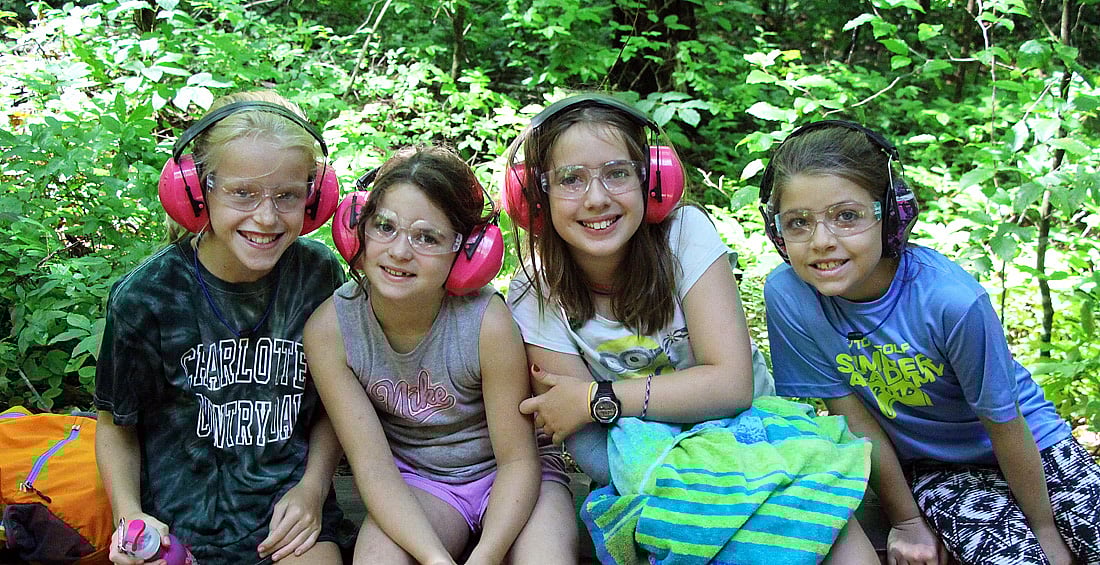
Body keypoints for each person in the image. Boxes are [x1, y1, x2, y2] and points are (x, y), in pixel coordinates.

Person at [504, 93, 878, 565]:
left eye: (617, 173)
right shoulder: (532, 290)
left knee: (836, 537)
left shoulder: (685, 234)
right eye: (570, 180)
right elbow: (580, 435)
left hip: (760, 437)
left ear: (653, 180)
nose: (596, 197)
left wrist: (599, 399)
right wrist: (686, 474)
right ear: (534, 198)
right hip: (642, 468)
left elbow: (731, 385)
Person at [760, 120, 1100, 565]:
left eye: (847, 216)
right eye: (798, 223)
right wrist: (906, 521)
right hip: (937, 466)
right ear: (776, 231)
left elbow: (1004, 421)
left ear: (893, 215)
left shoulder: (950, 301)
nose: (822, 241)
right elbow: (852, 415)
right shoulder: (789, 295)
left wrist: (1046, 532)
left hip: (1033, 446)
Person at [94, 90, 346, 564]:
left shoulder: (318, 276)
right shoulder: (147, 297)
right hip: (179, 530)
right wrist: (129, 517)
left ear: (314, 200)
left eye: (288, 195)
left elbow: (336, 404)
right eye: (242, 193)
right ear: (194, 191)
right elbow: (116, 426)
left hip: (288, 525)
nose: (267, 217)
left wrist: (313, 489)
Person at [303, 145, 577, 565]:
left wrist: (485, 556)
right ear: (356, 228)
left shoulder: (486, 322)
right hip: (419, 484)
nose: (399, 251)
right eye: (385, 227)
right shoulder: (331, 330)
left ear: (468, 252)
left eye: (427, 237)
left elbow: (518, 459)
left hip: (516, 479)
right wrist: (434, 558)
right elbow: (373, 470)